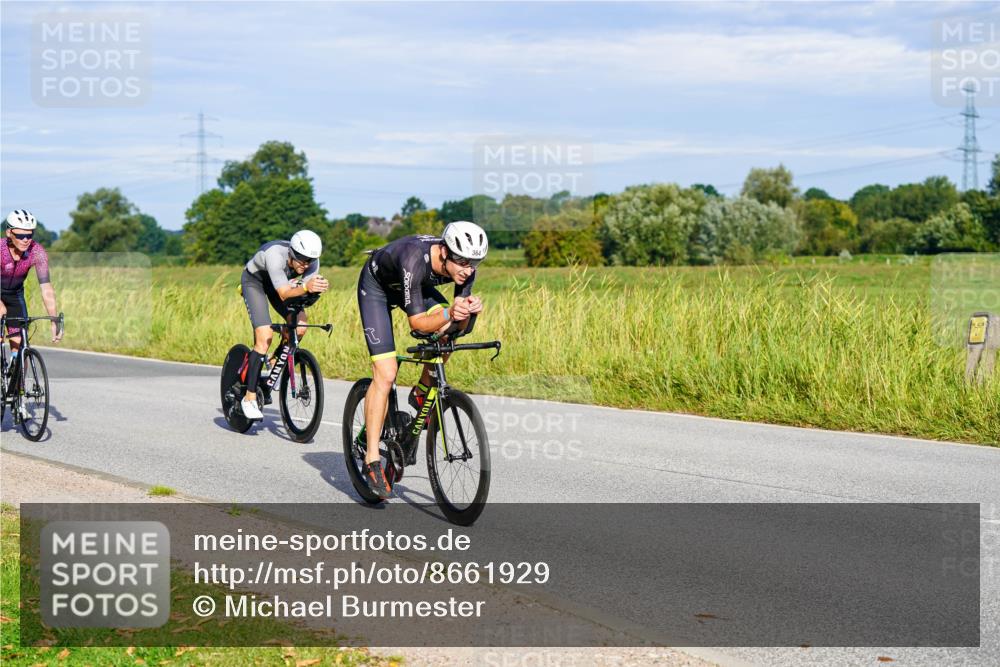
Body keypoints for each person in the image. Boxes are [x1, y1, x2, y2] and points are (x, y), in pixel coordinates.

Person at [356, 220, 488, 498]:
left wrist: (467, 313)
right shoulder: (415, 257)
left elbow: (457, 326)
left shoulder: (466, 271)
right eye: (463, 261)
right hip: (377, 288)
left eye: (475, 262)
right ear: (444, 252)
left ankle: (420, 392)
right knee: (387, 372)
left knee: (447, 337)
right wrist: (450, 313)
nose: (469, 269)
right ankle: (371, 459)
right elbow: (417, 324)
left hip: (416, 287)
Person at [240, 229, 328, 420]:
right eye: (302, 259)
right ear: (292, 254)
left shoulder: (312, 262)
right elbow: (284, 293)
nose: (306, 265)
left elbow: (301, 295)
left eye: (310, 261)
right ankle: (249, 398)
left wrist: (313, 292)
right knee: (265, 337)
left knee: (301, 325)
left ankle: (273, 362)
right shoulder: (275, 255)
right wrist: (306, 287)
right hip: (255, 283)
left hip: (281, 286)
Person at [1, 209, 63, 353]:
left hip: (15, 296)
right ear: (9, 233)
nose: (25, 239)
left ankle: (18, 372)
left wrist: (53, 319)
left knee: (20, 344)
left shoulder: (36, 252)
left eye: (29, 235)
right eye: (20, 235)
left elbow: (46, 287)